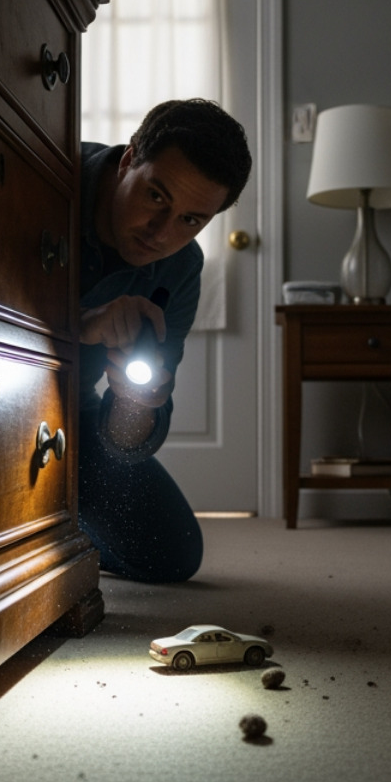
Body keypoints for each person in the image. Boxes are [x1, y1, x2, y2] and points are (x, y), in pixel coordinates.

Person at [77, 98, 252, 582]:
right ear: (130, 158)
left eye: (191, 220)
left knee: (170, 553)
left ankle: (57, 525)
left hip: (70, 417)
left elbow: (126, 443)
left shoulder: (181, 268)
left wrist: (136, 402)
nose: (161, 233)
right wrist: (83, 323)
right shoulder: (47, 179)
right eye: (156, 197)